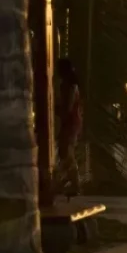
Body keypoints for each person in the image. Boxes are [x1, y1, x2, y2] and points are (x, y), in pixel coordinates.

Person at [56, 60, 86, 196]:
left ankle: (75, 183)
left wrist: (57, 109)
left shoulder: (70, 86)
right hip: (70, 121)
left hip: (71, 122)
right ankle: (68, 179)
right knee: (64, 151)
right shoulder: (68, 85)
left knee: (67, 151)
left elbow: (68, 106)